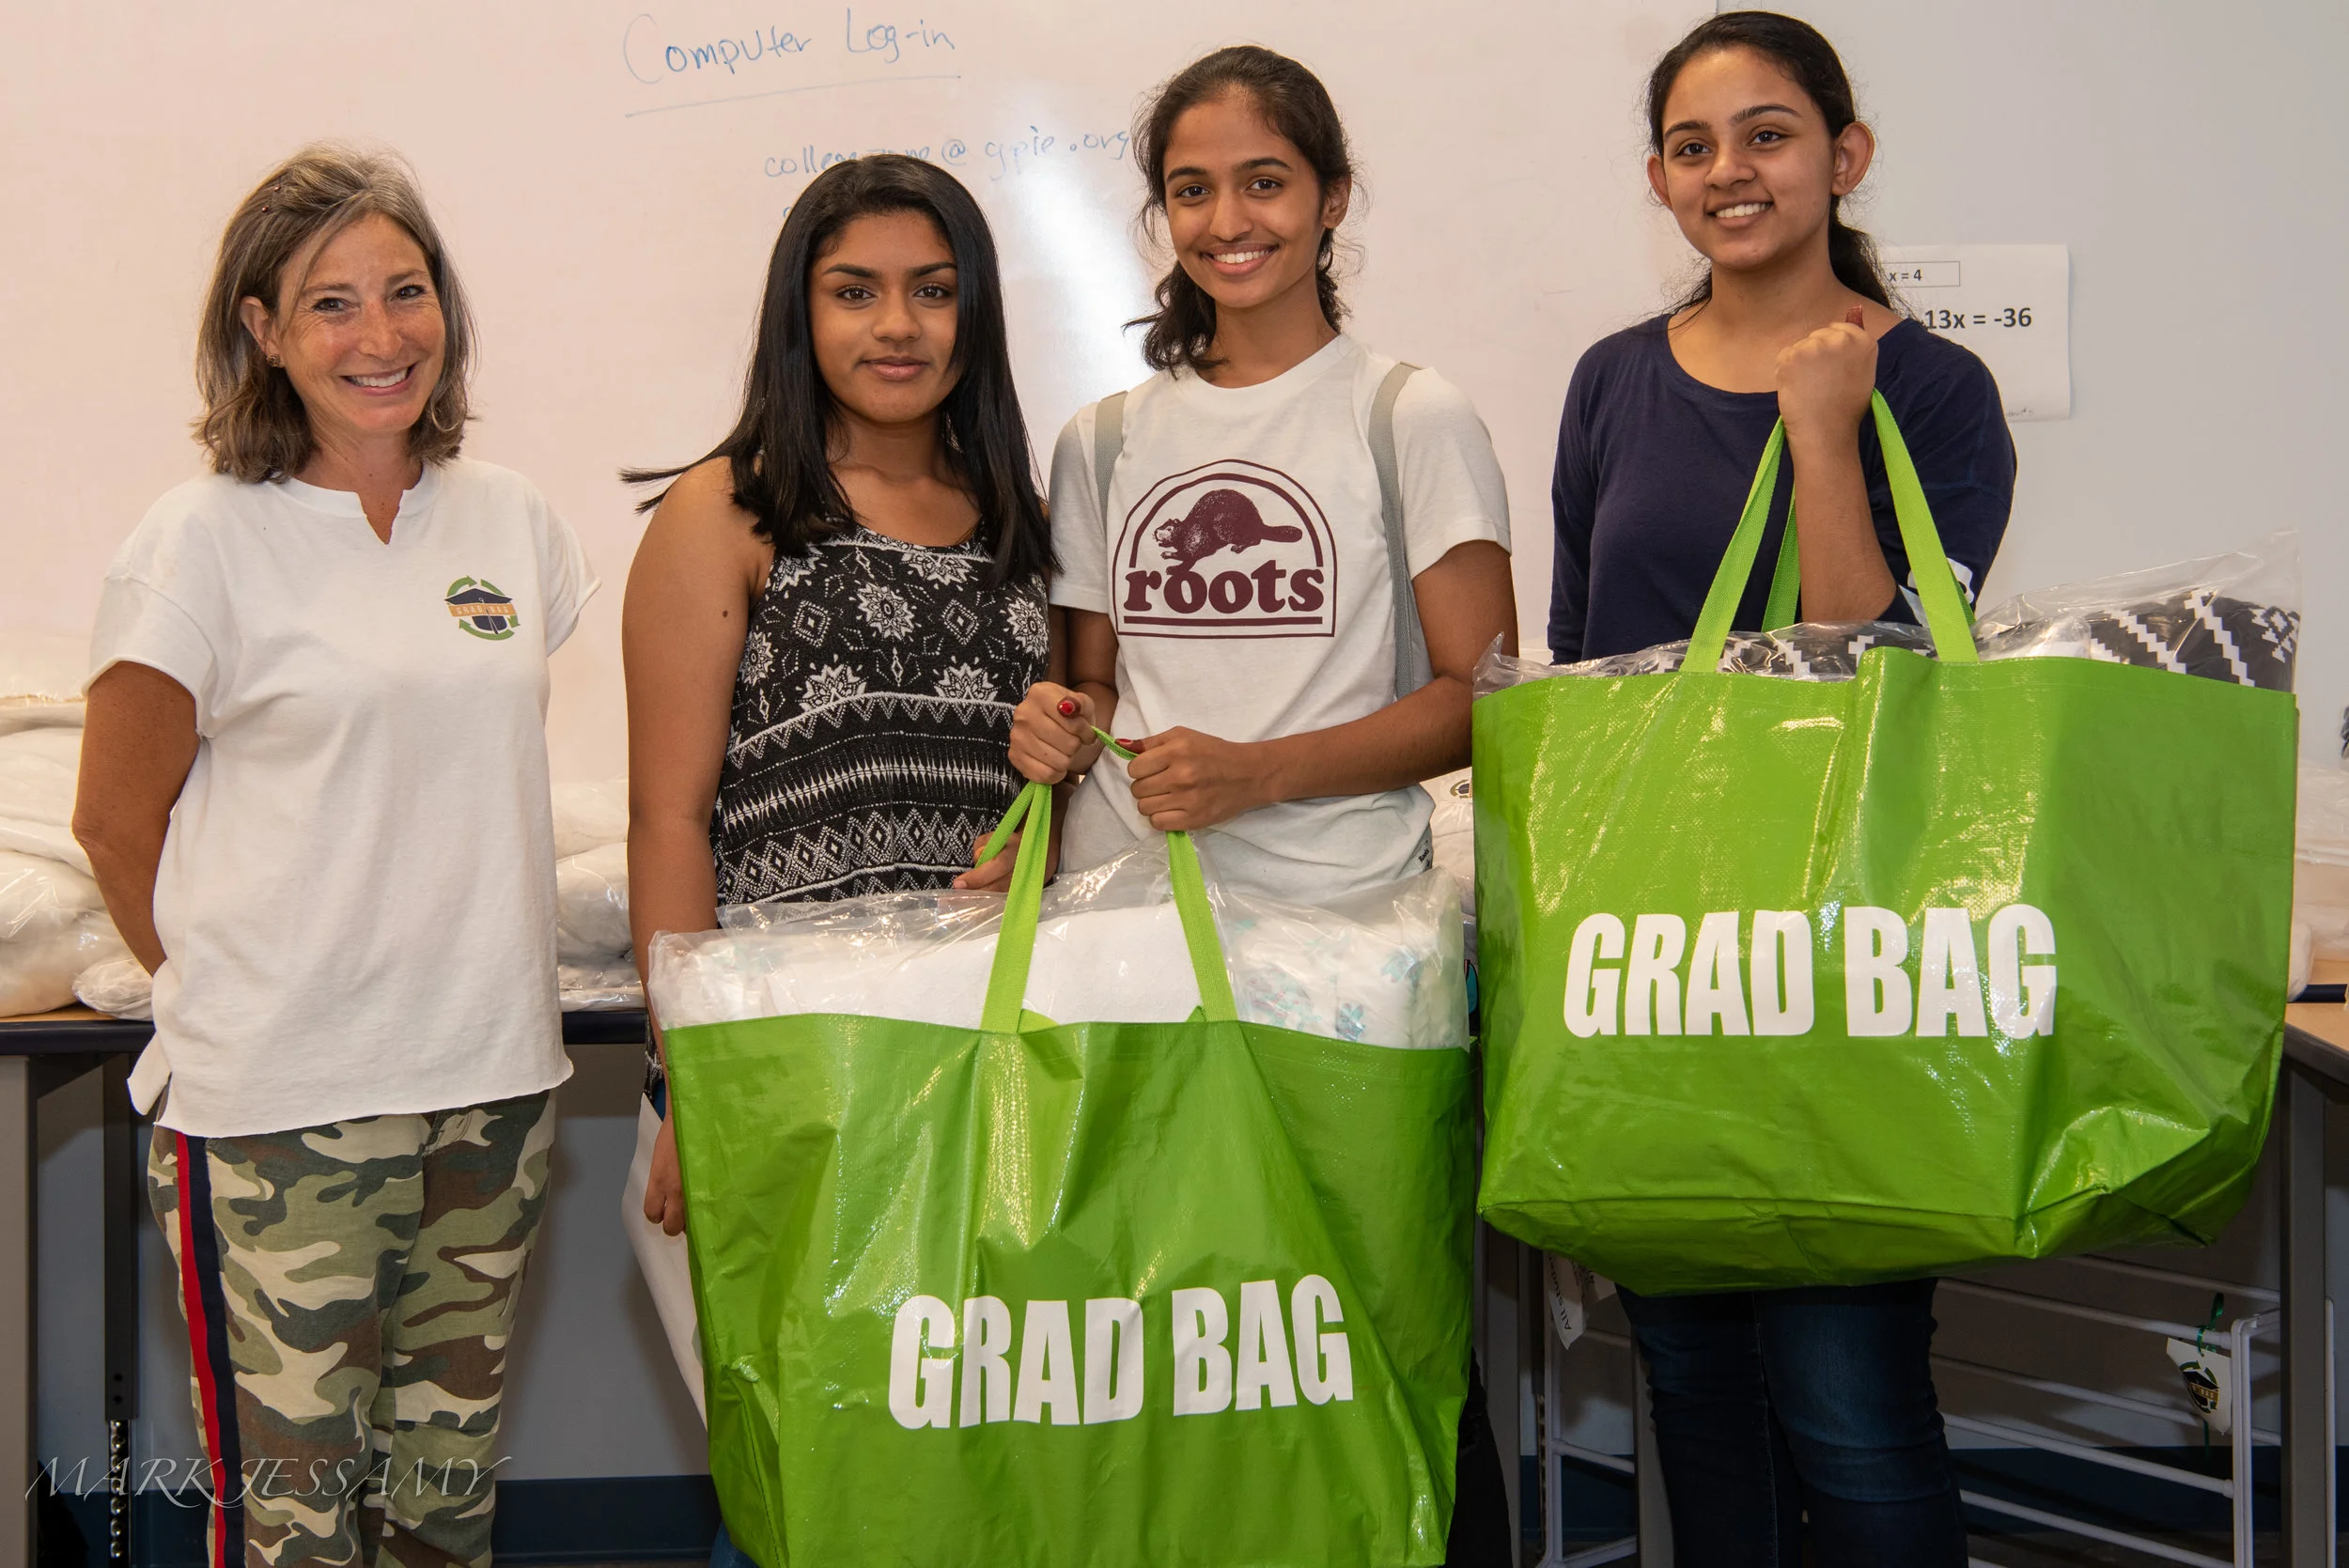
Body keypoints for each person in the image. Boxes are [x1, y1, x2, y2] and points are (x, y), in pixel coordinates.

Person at [1006, 45, 1518, 1565]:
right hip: (1133, 944)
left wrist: (1261, 772)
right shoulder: (1106, 439)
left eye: (1265, 182)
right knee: (1176, 1329)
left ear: (1331, 197)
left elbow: (1481, 700)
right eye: (1193, 188)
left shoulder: (1408, 414)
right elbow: (1090, 693)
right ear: (1162, 215)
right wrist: (1054, 729)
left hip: (1350, 950)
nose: (1230, 218)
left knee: (1372, 1317)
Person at [71, 145, 594, 1566]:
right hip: (283, 1108)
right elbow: (116, 825)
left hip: (490, 1090)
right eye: (332, 305)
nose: (381, 338)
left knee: (443, 1514)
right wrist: (246, 991)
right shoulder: (197, 545)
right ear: (264, 331)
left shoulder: (511, 522)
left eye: (407, 293)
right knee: (300, 1532)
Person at [1548, 13, 2015, 1565]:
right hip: (1649, 948)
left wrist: (1821, 425)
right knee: (1690, 1375)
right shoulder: (1612, 381)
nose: (1730, 171)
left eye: (1768, 134)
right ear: (1661, 181)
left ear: (1843, 155)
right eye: (1694, 145)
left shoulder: (1932, 393)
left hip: (1838, 946)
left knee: (1847, 1382)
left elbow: (1874, 661)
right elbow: (1583, 677)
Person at [618, 152, 1053, 1568]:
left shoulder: (1026, 525)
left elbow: (1054, 786)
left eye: (933, 292)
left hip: (983, 1074)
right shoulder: (729, 511)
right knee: (818, 1496)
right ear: (796, 314)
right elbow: (670, 820)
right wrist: (697, 1084)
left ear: (976, 315)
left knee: (982, 1481)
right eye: (854, 290)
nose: (897, 325)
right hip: (790, 1074)